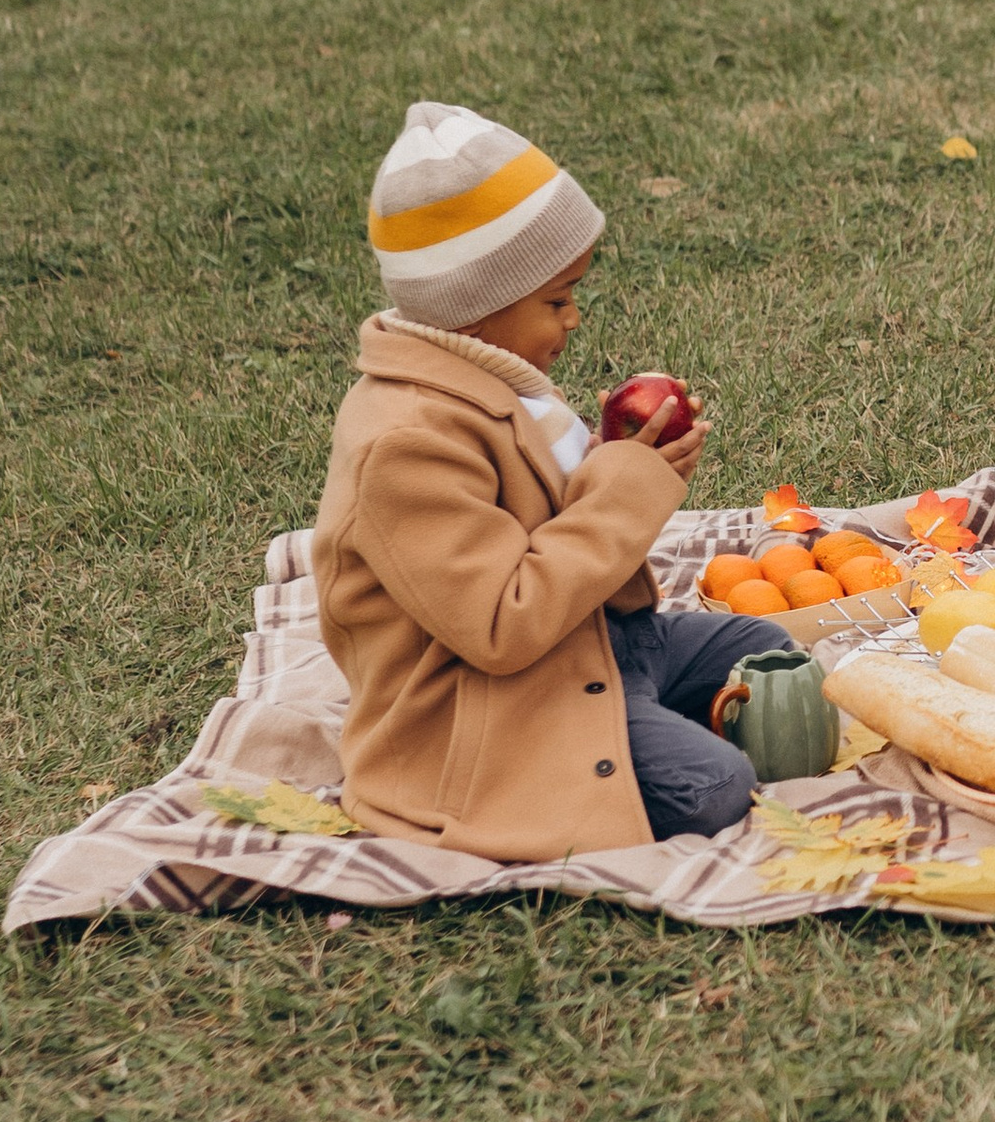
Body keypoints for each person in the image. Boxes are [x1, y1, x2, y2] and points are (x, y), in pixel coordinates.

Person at [313, 101, 782, 857]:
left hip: (595, 641)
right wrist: (622, 490)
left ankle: (640, 718)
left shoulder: (492, 378)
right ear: (475, 310)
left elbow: (534, 520)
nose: (572, 321)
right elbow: (504, 624)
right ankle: (620, 749)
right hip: (491, 701)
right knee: (716, 786)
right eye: (557, 300)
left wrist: (605, 463)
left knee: (772, 651)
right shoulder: (404, 445)